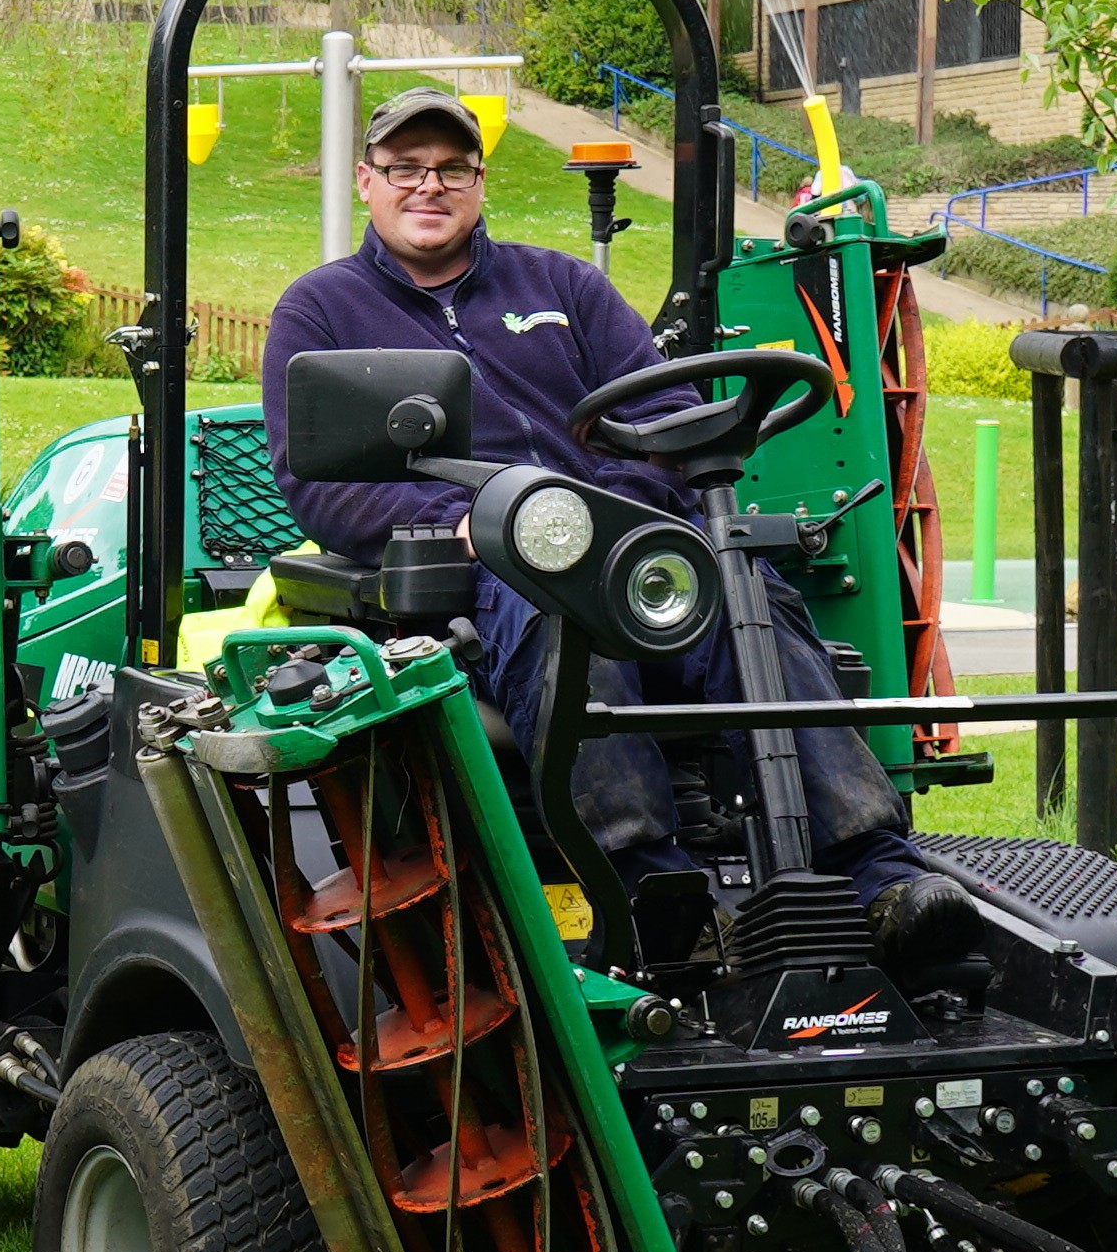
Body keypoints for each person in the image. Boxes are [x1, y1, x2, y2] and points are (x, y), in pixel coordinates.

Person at [262, 89, 972, 976]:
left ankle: (876, 876)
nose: (428, 186)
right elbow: (321, 489)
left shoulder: (563, 286)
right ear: (368, 181)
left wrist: (605, 512)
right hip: (471, 582)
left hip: (626, 545)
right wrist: (482, 527)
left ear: (481, 182)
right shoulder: (322, 312)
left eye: (450, 169)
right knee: (559, 602)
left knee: (745, 588)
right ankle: (643, 881)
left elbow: (666, 409)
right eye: (406, 169)